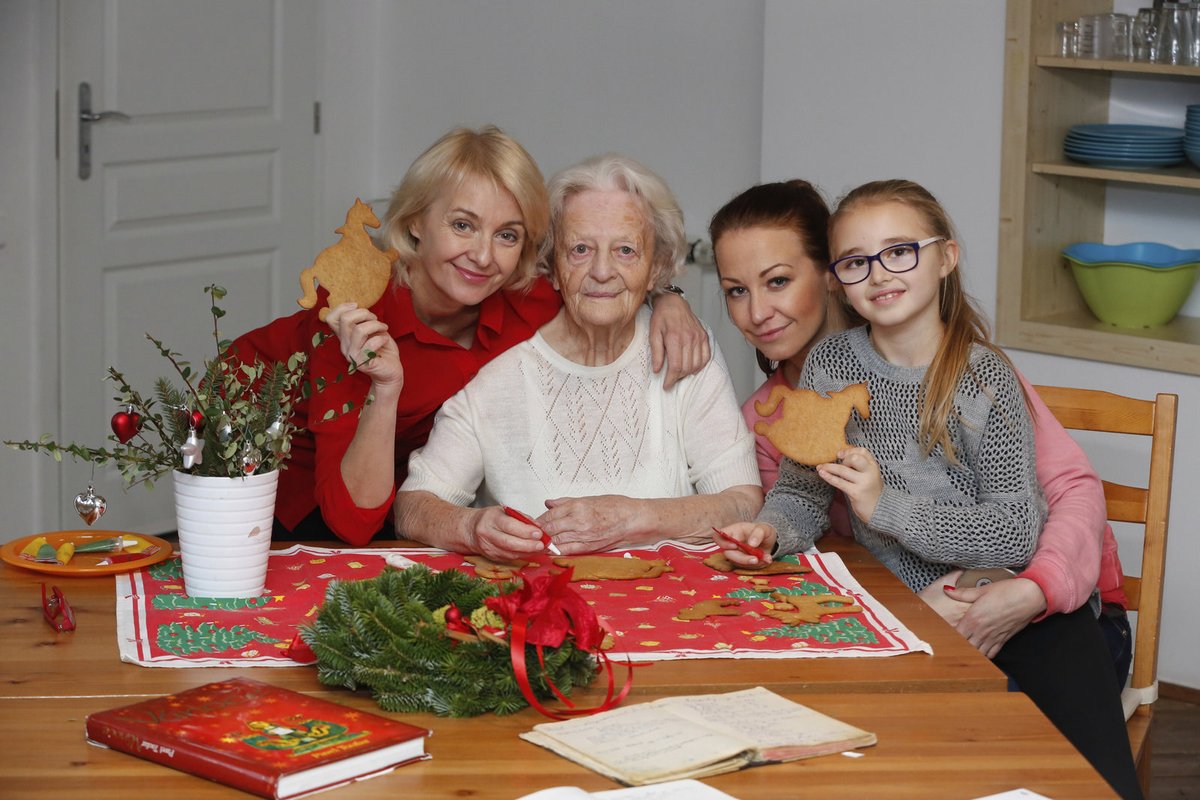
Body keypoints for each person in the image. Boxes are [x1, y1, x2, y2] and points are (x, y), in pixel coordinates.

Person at [714, 179, 1140, 800]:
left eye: (901, 251)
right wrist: (772, 530)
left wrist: (887, 506)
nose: (880, 273)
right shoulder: (831, 367)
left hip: (1022, 606)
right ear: (839, 278)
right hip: (909, 616)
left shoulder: (985, 377)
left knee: (1089, 781)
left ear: (946, 257)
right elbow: (804, 494)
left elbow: (1019, 530)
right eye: (857, 261)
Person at [231, 126, 709, 546]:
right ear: (416, 222)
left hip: (399, 477)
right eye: (463, 225)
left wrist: (668, 298)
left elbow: (604, 278)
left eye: (508, 235)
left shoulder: (528, 299)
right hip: (272, 466)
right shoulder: (355, 319)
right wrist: (385, 386)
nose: (483, 256)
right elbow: (351, 523)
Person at [394, 154, 761, 560]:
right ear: (551, 263)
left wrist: (636, 518)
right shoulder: (501, 370)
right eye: (581, 249)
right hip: (535, 610)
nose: (602, 271)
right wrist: (470, 527)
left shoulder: (686, 348)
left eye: (625, 250)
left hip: (674, 610)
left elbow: (743, 502)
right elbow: (412, 507)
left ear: (656, 268)